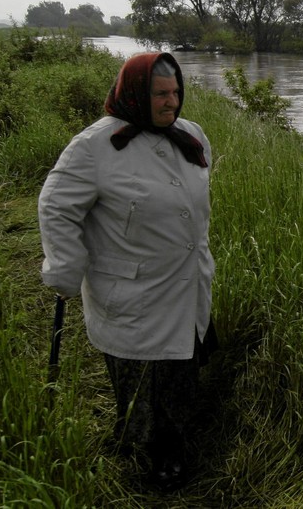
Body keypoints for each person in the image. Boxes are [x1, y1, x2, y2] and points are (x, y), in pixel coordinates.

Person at [38, 51, 216, 490]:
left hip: (186, 283)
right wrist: (65, 266)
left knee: (181, 375)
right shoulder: (94, 147)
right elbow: (56, 206)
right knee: (141, 386)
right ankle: (145, 455)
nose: (171, 102)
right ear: (135, 92)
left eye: (176, 92)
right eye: (160, 94)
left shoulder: (191, 136)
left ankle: (173, 446)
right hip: (134, 290)